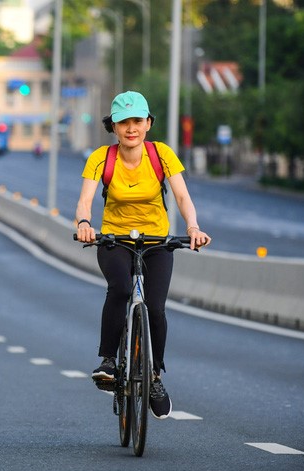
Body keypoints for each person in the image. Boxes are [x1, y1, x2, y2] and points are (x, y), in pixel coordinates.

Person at [75, 91, 211, 420]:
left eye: (137, 121)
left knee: (156, 308)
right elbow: (85, 200)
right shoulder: (100, 158)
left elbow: (181, 195)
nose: (131, 128)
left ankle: (154, 376)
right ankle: (108, 360)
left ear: (148, 123)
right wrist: (83, 223)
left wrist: (193, 227)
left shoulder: (161, 154)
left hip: (156, 242)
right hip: (114, 239)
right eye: (124, 122)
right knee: (120, 289)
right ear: (114, 127)